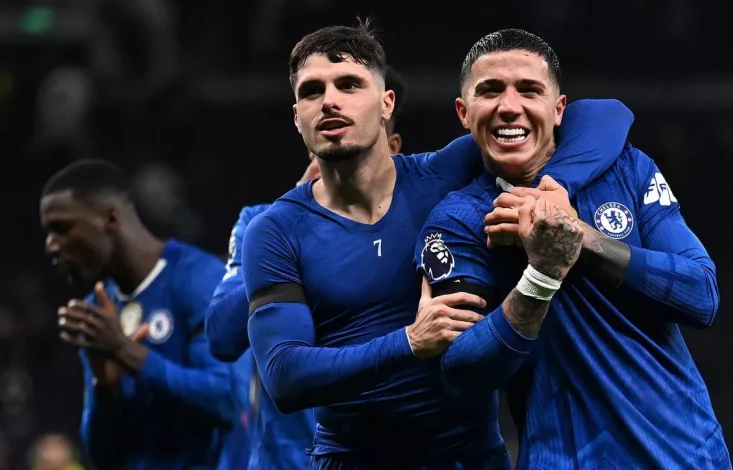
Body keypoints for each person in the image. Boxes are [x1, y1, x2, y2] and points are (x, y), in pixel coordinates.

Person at [242, 20, 633, 469]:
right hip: (352, 459)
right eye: (312, 91)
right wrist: (410, 341)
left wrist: (553, 188)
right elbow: (284, 377)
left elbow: (607, 115)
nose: (330, 100)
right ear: (297, 116)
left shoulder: (444, 173)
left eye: (349, 84)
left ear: (387, 103)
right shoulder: (275, 231)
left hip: (469, 458)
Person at [415, 28, 730, 469]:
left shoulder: (626, 167)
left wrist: (581, 240)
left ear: (559, 109)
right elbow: (463, 373)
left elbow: (701, 296)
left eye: (529, 90)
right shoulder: (459, 221)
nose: (510, 106)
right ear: (464, 113)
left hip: (688, 455)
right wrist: (541, 278)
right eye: (491, 91)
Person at [205, 64, 409, 470]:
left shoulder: (423, 220)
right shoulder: (262, 224)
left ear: (393, 145)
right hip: (285, 461)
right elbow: (222, 337)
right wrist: (288, 230)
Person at [40, 160, 247, 470]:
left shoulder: (200, 280)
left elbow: (228, 402)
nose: (51, 246)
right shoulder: (99, 310)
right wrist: (105, 387)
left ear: (111, 218)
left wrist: (126, 351)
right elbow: (104, 457)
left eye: (61, 228)